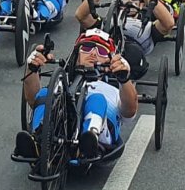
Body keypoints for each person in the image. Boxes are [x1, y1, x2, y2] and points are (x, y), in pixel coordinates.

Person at [14, 28, 138, 161]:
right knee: (45, 93)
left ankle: (89, 141)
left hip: (103, 134)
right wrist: (32, 69)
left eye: (101, 51)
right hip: (62, 124)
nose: (93, 53)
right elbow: (33, 100)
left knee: (97, 100)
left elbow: (129, 112)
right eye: (87, 48)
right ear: (77, 54)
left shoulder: (112, 90)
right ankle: (38, 139)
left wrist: (124, 80)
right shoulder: (63, 82)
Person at [75, 0, 175, 80]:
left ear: (141, 5)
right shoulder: (107, 22)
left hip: (132, 54)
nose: (128, 1)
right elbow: (81, 15)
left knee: (132, 53)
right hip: (105, 51)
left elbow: (168, 23)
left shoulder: (148, 28)